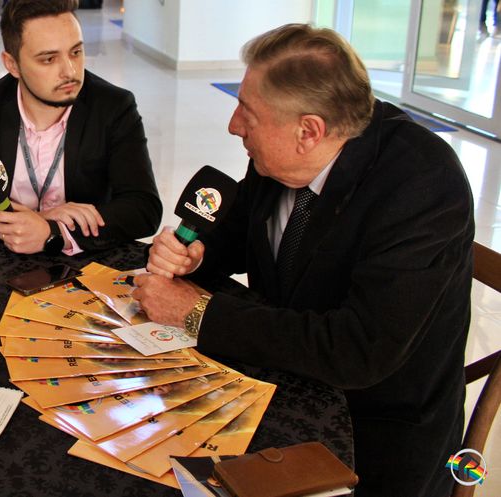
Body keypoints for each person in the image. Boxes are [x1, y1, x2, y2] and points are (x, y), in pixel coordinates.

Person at [131, 24, 473, 496]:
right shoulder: (282, 154)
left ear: (308, 131)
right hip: (278, 381)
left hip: (373, 429)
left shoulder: (423, 184)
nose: (233, 125)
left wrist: (195, 312)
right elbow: (244, 232)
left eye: (247, 111)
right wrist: (197, 255)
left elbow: (357, 351)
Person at [0, 0, 161, 255]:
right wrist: (17, 223)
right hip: (0, 258)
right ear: (12, 64)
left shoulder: (113, 107)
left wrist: (53, 230)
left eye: (76, 52)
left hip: (83, 262)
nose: (70, 71)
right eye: (49, 59)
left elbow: (144, 207)